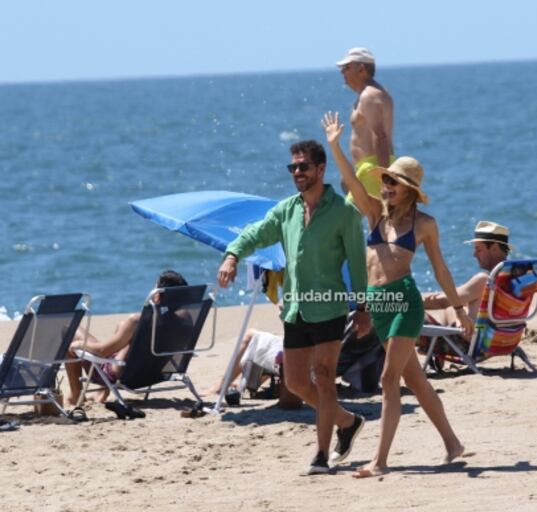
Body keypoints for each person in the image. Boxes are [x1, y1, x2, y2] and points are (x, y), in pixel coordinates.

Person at [323, 111, 471, 478]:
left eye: (393, 182)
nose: (385, 186)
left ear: (409, 189)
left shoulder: (424, 224)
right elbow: (349, 182)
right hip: (379, 304)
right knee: (416, 380)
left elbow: (441, 270)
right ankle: (453, 444)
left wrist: (460, 311)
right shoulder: (374, 215)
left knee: (390, 381)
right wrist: (335, 145)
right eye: (385, 180)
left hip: (404, 301)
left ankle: (380, 461)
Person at [217, 140, 371, 476]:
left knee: (326, 378)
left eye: (303, 166)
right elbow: (256, 233)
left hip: (329, 306)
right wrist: (232, 255)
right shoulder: (286, 210)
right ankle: (346, 421)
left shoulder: (344, 213)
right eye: (293, 168)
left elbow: (358, 264)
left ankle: (321, 454)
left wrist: (362, 307)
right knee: (298, 383)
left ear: (320, 169)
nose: (297, 173)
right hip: (296, 309)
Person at [64, 270, 188, 405]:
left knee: (69, 331)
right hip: (153, 373)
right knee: (121, 327)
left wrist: (78, 345)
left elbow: (102, 351)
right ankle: (100, 394)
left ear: (157, 295)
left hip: (121, 374)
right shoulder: (185, 320)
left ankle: (75, 395)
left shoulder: (137, 322)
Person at [422, 221, 512, 327]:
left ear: (494, 248)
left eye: (478, 250)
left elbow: (444, 302)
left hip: (474, 341)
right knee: (455, 308)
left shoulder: (485, 280)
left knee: (419, 315)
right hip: (505, 339)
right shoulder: (513, 277)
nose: (474, 255)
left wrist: (411, 302)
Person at [336, 47, 395, 200]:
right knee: (369, 221)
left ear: (362, 69)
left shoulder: (369, 96)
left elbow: (380, 137)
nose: (342, 72)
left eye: (347, 67)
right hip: (368, 169)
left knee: (345, 220)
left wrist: (385, 181)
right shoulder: (369, 94)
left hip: (374, 170)